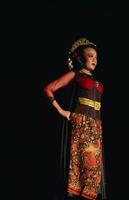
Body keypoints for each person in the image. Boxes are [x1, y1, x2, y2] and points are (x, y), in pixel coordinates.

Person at [43, 38, 107, 200]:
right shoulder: (75, 75)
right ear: (80, 58)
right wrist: (62, 111)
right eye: (90, 56)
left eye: (96, 57)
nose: (94, 60)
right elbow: (49, 89)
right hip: (80, 125)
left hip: (95, 128)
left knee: (92, 171)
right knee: (78, 166)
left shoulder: (95, 81)